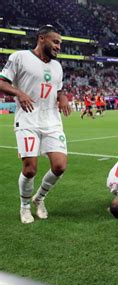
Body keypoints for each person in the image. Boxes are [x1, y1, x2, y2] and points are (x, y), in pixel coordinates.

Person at [0, 25, 71, 224]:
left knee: (60, 166)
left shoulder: (57, 66)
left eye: (60, 43)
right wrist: (19, 93)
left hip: (52, 122)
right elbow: (2, 82)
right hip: (28, 120)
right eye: (55, 42)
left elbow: (58, 89)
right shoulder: (20, 57)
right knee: (30, 169)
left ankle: (39, 198)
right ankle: (24, 207)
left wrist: (63, 97)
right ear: (41, 38)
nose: (58, 46)